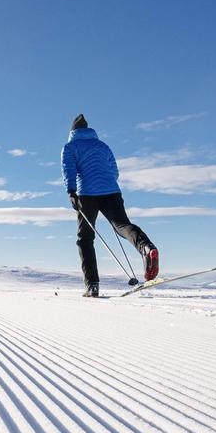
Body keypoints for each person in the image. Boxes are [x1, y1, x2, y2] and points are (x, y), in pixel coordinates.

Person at [63, 114, 158, 298]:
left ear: (72, 131)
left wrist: (71, 192)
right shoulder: (102, 146)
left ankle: (92, 286)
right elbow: (114, 170)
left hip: (86, 195)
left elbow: (69, 170)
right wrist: (106, 184)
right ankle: (147, 247)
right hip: (112, 191)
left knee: (85, 239)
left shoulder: (70, 147)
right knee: (121, 225)